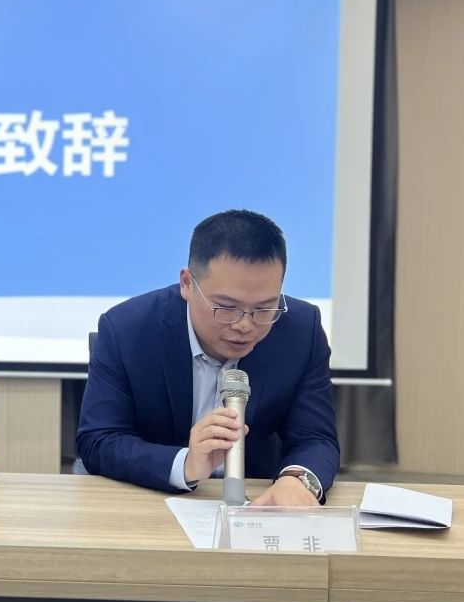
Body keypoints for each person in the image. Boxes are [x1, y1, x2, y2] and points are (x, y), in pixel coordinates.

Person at [77, 209, 339, 506]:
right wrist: (185, 463)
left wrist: (298, 480)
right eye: (226, 307)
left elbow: (315, 438)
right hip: (147, 500)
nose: (245, 325)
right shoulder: (128, 330)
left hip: (256, 504)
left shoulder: (301, 330)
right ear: (187, 284)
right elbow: (99, 440)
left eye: (264, 308)